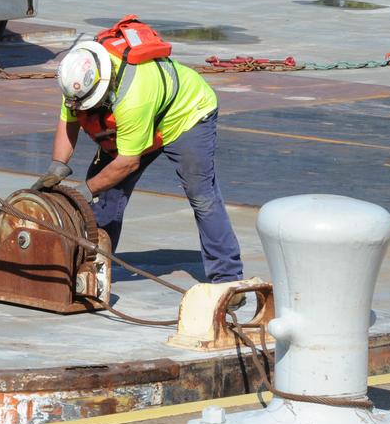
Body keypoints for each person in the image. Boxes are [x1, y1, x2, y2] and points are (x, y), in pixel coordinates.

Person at [34, 25, 243, 284]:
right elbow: (69, 121)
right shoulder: (79, 78)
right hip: (141, 122)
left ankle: (227, 277)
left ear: (104, 85)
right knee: (107, 199)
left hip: (187, 116)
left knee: (202, 197)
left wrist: (83, 191)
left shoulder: (133, 96)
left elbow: (127, 163)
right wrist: (57, 166)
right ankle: (94, 270)